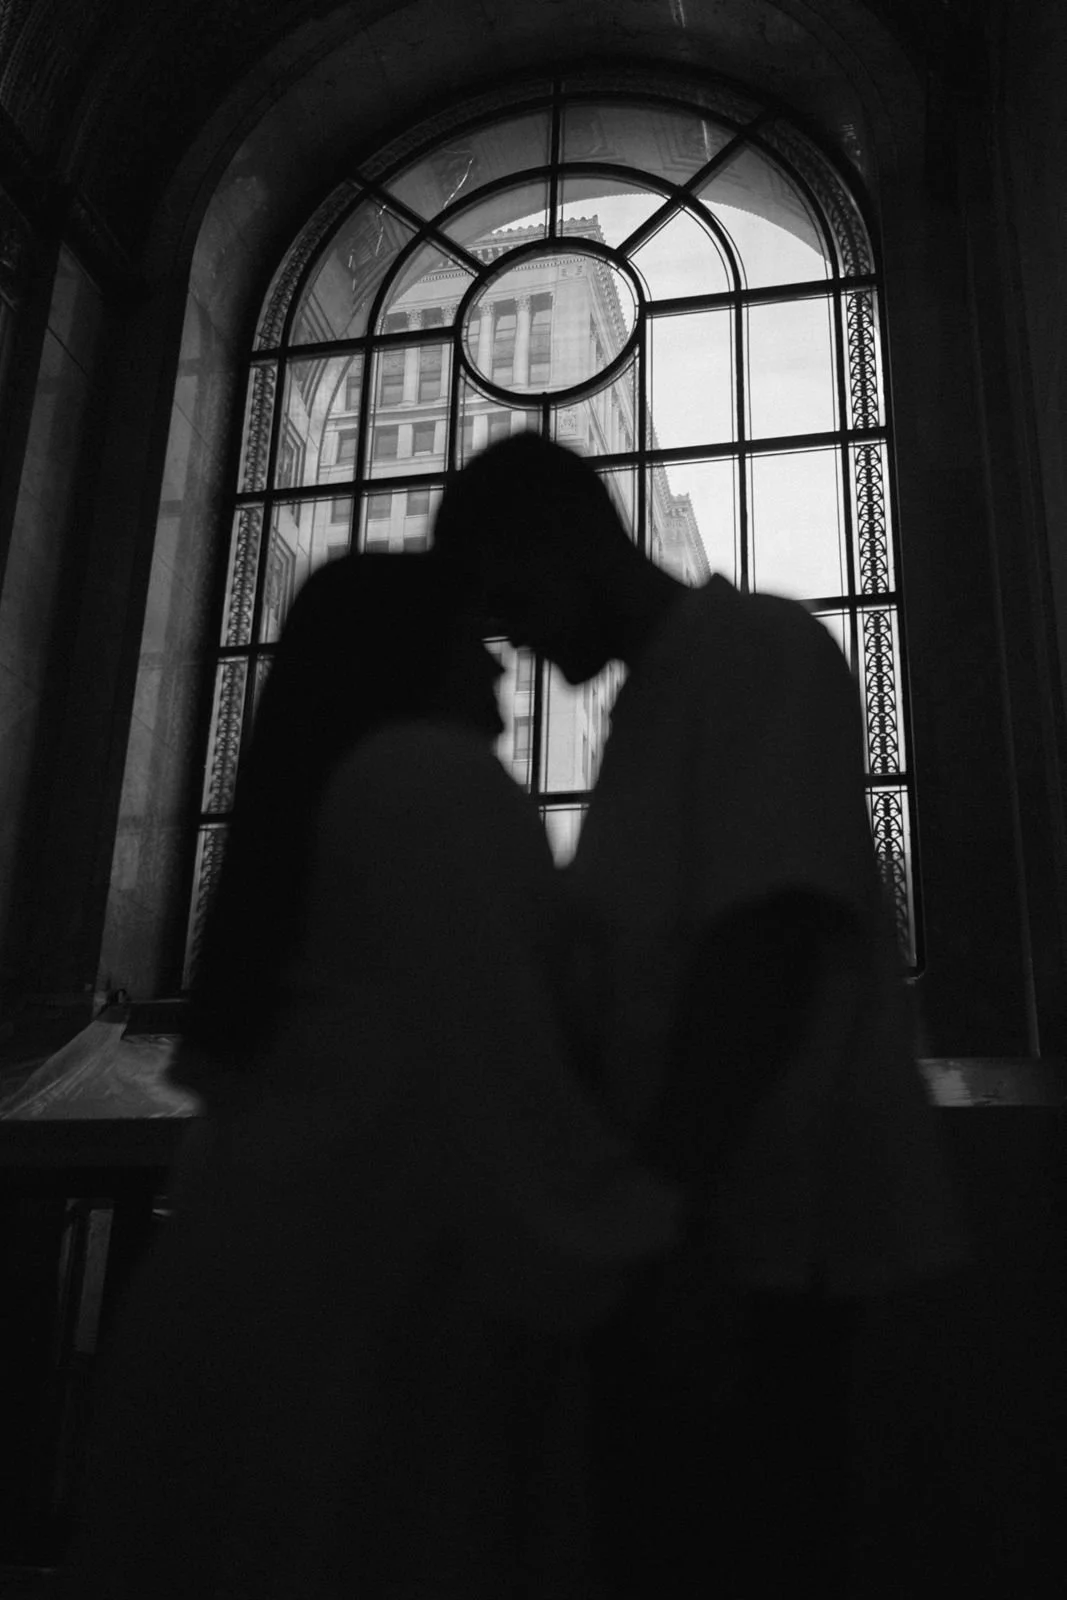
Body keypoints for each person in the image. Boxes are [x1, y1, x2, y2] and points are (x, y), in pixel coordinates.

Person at [70, 552, 680, 1600]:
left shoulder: (336, 803)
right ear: (414, 665)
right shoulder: (426, 783)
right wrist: (662, 1226)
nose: (502, 681)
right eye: (477, 652)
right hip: (356, 1354)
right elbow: (507, 1088)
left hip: (242, 1331)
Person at [432, 431, 972, 1597]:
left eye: (509, 597)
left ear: (569, 540)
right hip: (710, 1240)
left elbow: (759, 954)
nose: (511, 635)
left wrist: (648, 1216)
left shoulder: (758, 654)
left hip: (767, 1245)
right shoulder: (655, 707)